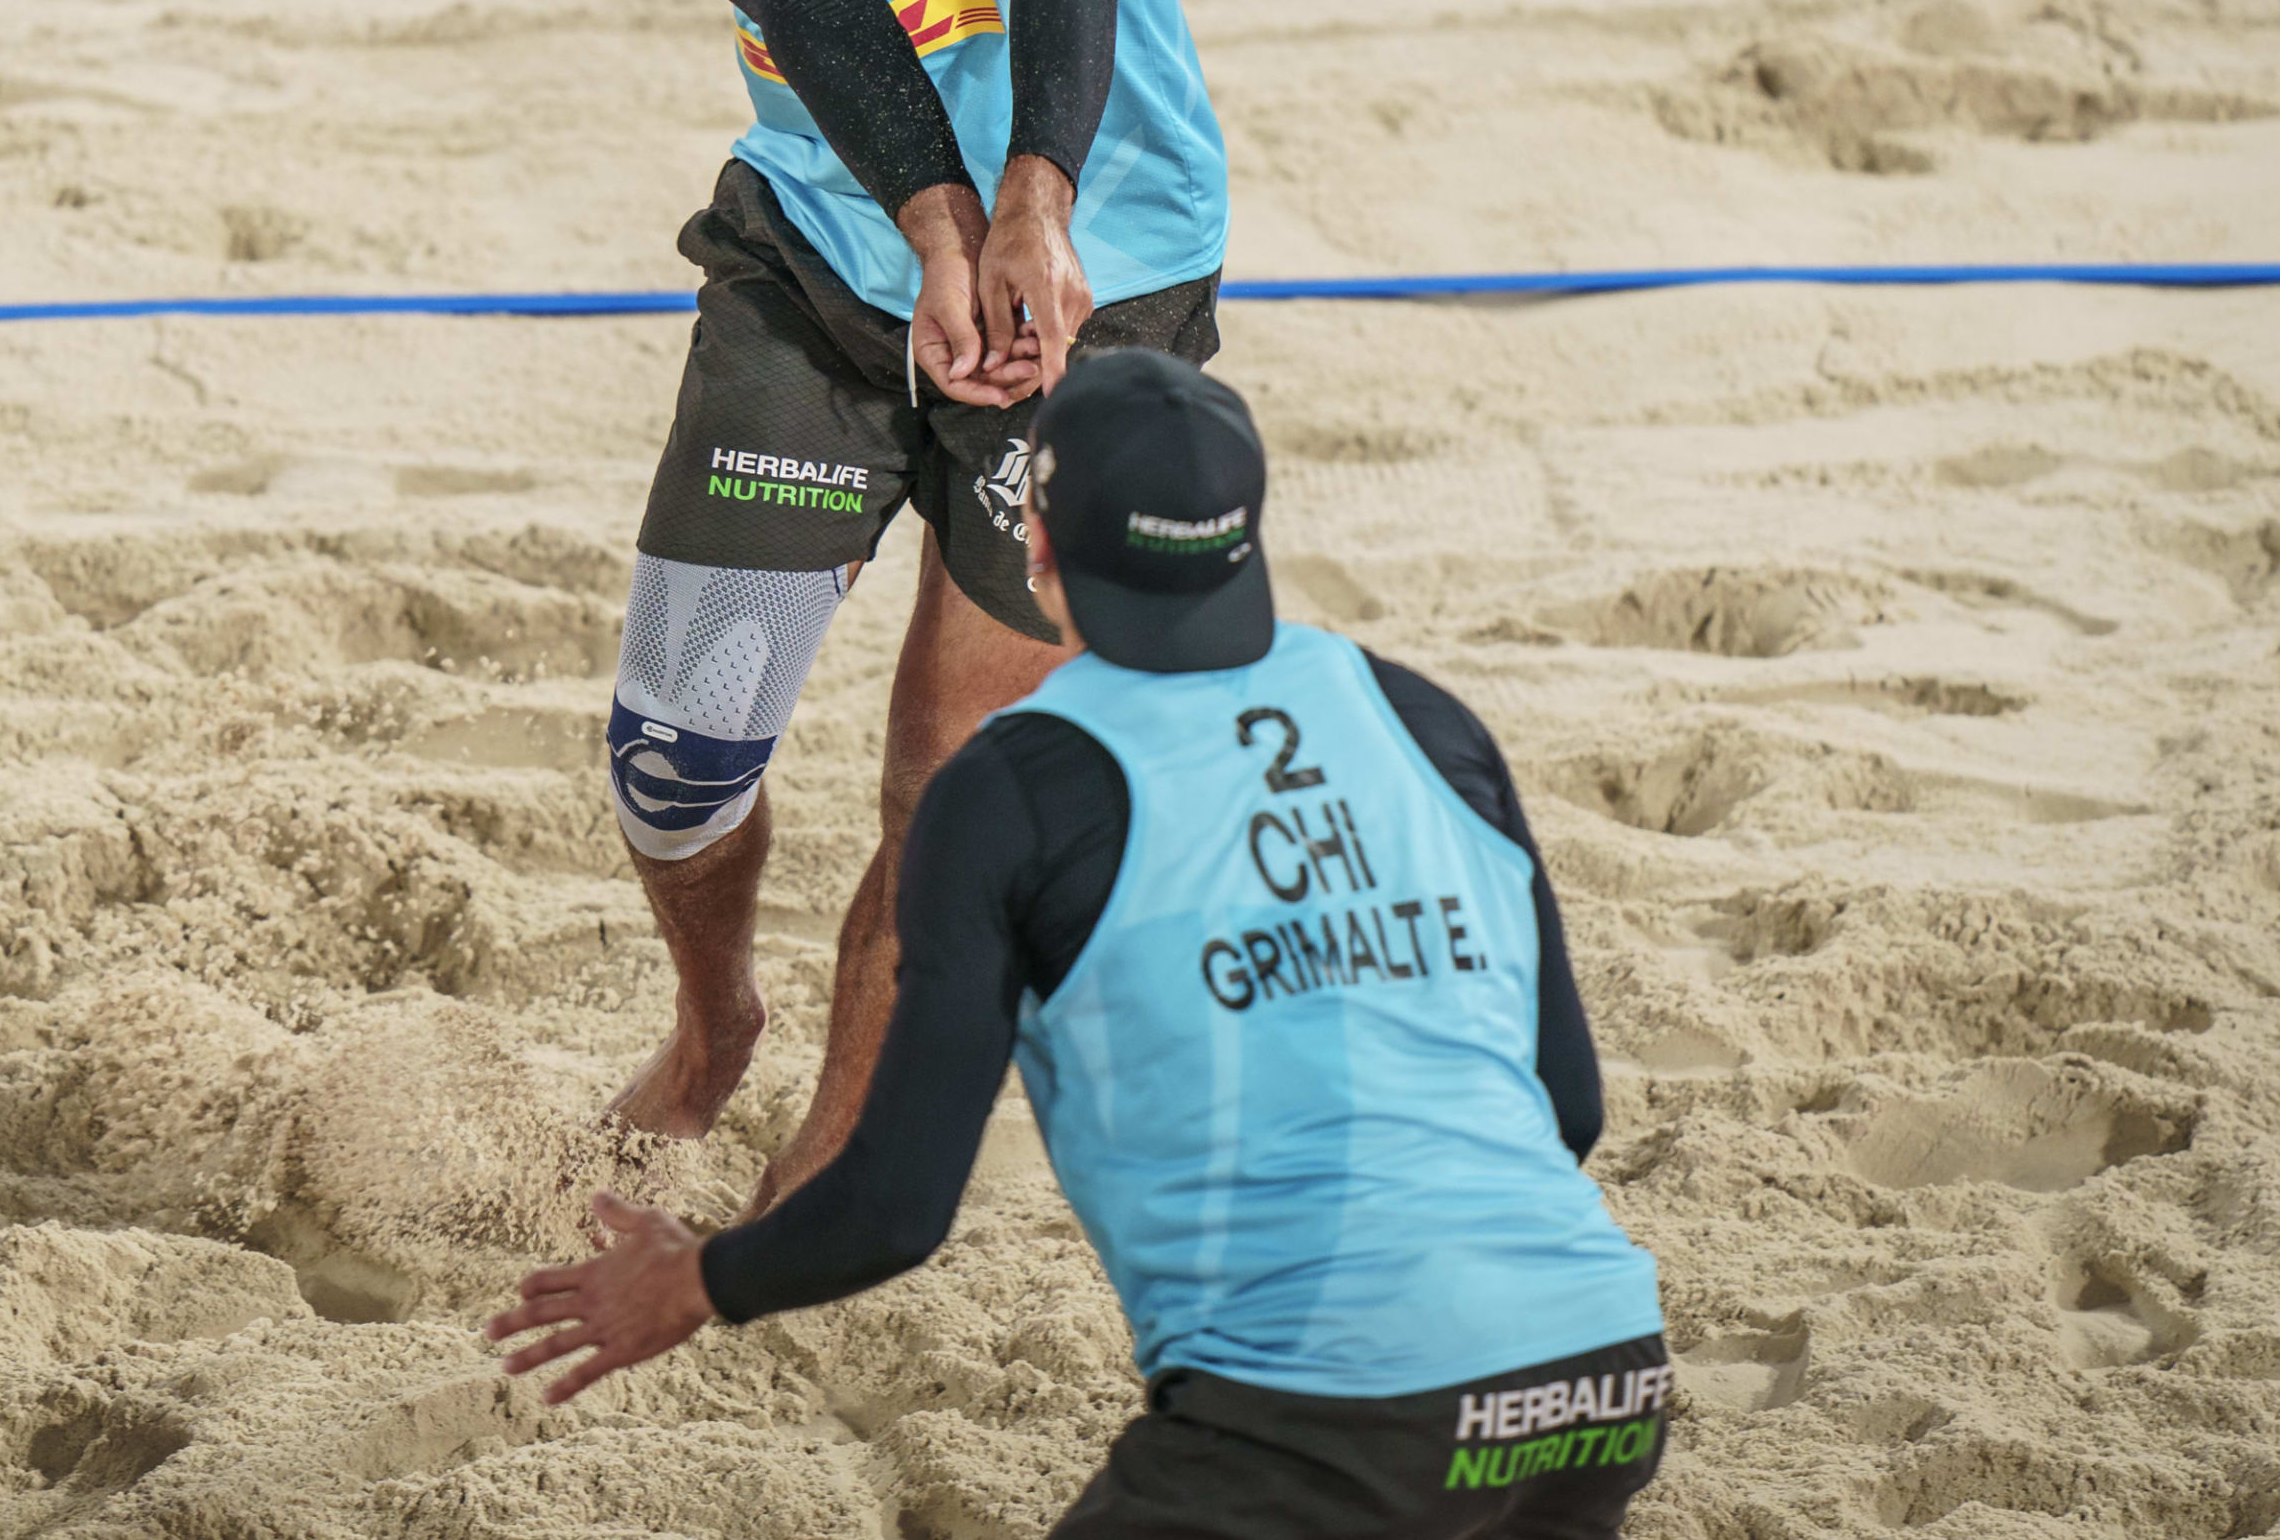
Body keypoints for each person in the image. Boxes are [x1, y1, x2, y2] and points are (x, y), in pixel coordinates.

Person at [488, 351, 1675, 1540]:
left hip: (1324, 1411)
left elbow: (897, 1211)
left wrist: (695, 1280)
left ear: (1038, 551)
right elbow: (1565, 1109)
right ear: (1247, 535)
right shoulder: (1425, 716)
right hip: (1601, 1376)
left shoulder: (1013, 787)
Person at [571, 0, 1235, 1209]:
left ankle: (831, 1157)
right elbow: (817, 7)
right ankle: (718, 1019)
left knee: (947, 768)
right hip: (823, 261)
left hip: (1114, 273)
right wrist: (946, 227)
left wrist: (1034, 209)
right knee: (675, 754)